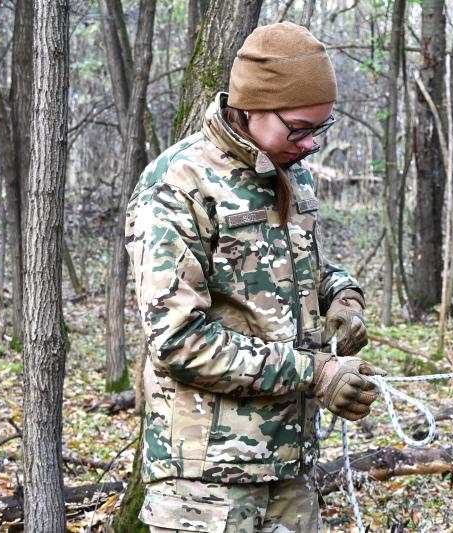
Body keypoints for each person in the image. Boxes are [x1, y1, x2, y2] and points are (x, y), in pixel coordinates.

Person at [125, 22, 383, 532]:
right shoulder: (178, 184)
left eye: (320, 130)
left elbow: (305, 265)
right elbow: (178, 340)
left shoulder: (289, 170)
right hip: (206, 480)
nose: (310, 145)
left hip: (288, 465)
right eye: (300, 129)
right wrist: (315, 373)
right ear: (254, 106)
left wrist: (341, 296)